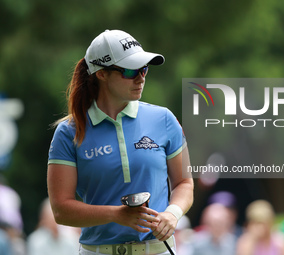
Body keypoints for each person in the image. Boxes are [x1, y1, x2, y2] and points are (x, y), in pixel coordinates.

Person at [47, 29, 194, 255]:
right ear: (101, 73)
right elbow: (61, 210)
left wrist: (172, 214)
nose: (141, 77)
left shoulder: (164, 119)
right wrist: (116, 215)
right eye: (130, 71)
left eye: (144, 69)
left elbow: (184, 182)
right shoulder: (69, 132)